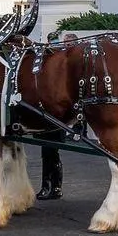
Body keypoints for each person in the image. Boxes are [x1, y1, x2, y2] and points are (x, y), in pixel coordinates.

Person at [38, 31, 78, 200]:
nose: (66, 46)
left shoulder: (66, 65)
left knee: (49, 152)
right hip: (53, 115)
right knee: (49, 153)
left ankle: (51, 187)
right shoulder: (59, 58)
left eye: (69, 44)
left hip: (56, 115)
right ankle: (52, 187)